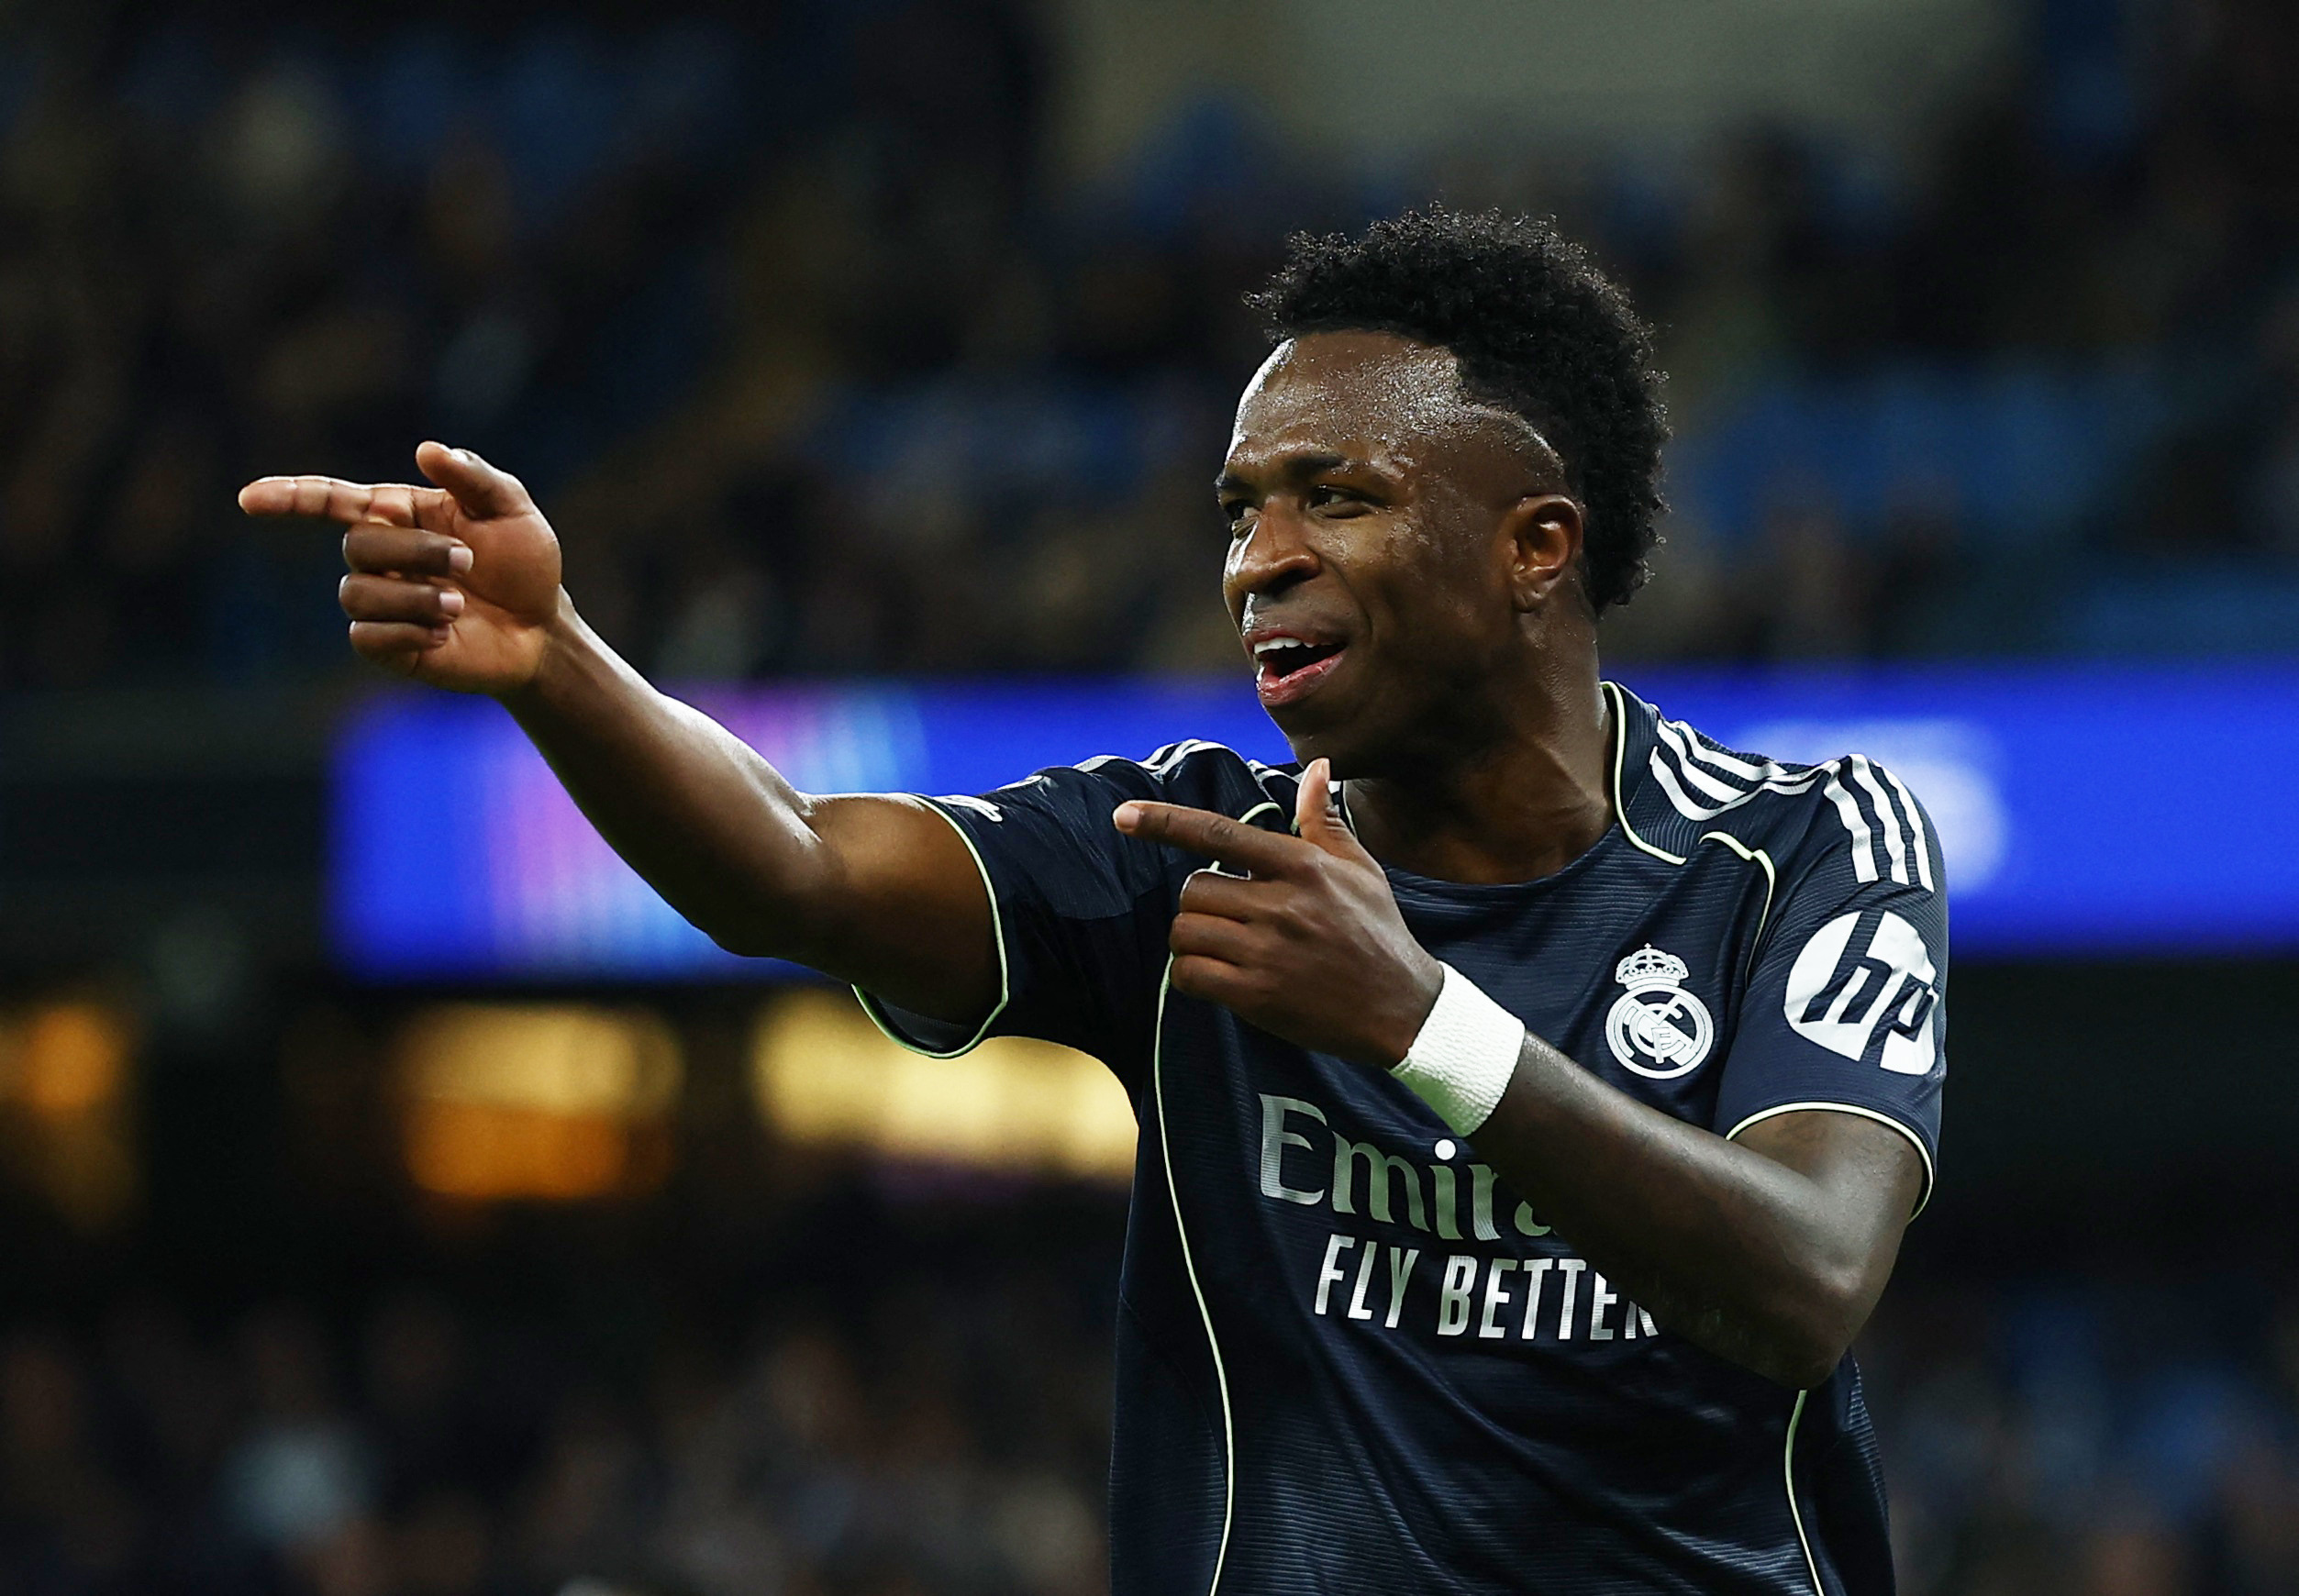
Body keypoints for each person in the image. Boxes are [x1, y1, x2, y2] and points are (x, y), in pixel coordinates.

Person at [243, 207, 1944, 1596]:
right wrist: (557, 662)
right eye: (1239, 510)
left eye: (1336, 496)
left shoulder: (1799, 849)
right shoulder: (1184, 849)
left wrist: (1418, 1021)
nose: (1256, 560)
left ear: (1535, 549)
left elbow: (1805, 1279)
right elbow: (798, 865)